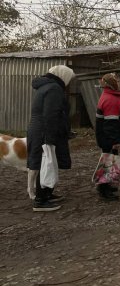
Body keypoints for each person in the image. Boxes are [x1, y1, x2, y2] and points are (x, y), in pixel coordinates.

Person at [26, 65, 76, 212]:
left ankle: (47, 193)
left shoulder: (46, 86)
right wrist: (49, 137)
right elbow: (51, 114)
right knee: (45, 163)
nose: (69, 82)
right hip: (44, 131)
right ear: (63, 76)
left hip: (39, 129)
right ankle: (41, 201)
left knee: (48, 162)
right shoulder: (54, 89)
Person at [95, 73, 120, 200]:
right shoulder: (110, 99)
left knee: (111, 160)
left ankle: (107, 185)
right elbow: (110, 124)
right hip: (108, 138)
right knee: (108, 161)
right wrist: (115, 141)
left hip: (108, 138)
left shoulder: (110, 95)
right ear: (113, 83)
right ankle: (104, 191)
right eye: (118, 80)